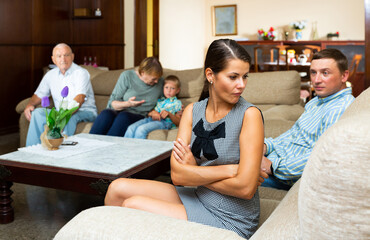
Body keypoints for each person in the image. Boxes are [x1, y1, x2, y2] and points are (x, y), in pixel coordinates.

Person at [104, 39, 265, 239]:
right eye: (233, 77)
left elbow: (246, 188)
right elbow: (178, 176)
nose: (241, 85)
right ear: (210, 75)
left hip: (230, 216)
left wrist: (195, 171)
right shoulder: (191, 111)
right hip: (197, 196)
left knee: (132, 204)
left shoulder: (250, 115)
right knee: (117, 187)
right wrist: (229, 171)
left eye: (244, 77)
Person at [260, 48, 355, 190]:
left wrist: (273, 167)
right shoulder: (317, 101)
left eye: (325, 73)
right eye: (313, 72)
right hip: (273, 160)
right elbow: (293, 135)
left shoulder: (338, 109)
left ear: (344, 76)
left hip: (283, 175)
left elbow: (320, 157)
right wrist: (266, 146)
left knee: (227, 171)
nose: (316, 80)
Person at [24, 43, 97, 146]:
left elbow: (80, 98)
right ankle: (31, 151)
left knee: (69, 117)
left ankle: (63, 150)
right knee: (37, 113)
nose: (63, 59)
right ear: (53, 59)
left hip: (84, 111)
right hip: (60, 112)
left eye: (66, 55)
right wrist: (30, 104)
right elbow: (39, 94)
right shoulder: (50, 75)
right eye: (59, 56)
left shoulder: (81, 73)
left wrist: (64, 114)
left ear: (72, 57)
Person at [89, 57, 164, 137]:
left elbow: (164, 102)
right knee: (106, 114)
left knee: (124, 117)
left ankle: (110, 148)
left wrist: (154, 112)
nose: (156, 81)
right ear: (142, 72)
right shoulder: (127, 76)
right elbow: (112, 104)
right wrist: (128, 104)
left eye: (158, 78)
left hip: (139, 115)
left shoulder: (160, 82)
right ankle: (88, 145)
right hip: (120, 110)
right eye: (154, 79)